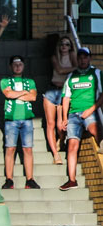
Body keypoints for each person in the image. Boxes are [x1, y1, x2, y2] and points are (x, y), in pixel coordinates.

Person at [59, 47, 103, 191]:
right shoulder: (71, 76)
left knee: (96, 130)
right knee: (72, 145)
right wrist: (64, 118)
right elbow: (66, 98)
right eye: (80, 57)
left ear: (89, 58)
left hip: (90, 112)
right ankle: (72, 180)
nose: (83, 60)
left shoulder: (96, 73)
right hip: (73, 114)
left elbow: (102, 95)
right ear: (77, 59)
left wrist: (90, 110)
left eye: (85, 57)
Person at [0, 55, 39, 190]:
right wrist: (24, 92)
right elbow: (8, 95)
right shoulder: (5, 81)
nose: (18, 66)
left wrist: (16, 93)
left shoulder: (30, 81)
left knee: (27, 149)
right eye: (15, 64)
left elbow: (33, 97)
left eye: (20, 64)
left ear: (24, 66)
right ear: (11, 66)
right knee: (10, 149)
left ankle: (30, 179)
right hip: (11, 120)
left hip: (27, 119)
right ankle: (9, 179)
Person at [45, 34, 78, 165]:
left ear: (70, 47)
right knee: (50, 124)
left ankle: (61, 139)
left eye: (67, 44)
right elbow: (59, 69)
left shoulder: (73, 57)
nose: (64, 46)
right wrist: (74, 69)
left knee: (60, 126)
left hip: (65, 93)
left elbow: (77, 70)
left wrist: (73, 69)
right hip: (52, 90)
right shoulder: (55, 57)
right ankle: (55, 154)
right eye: (62, 44)